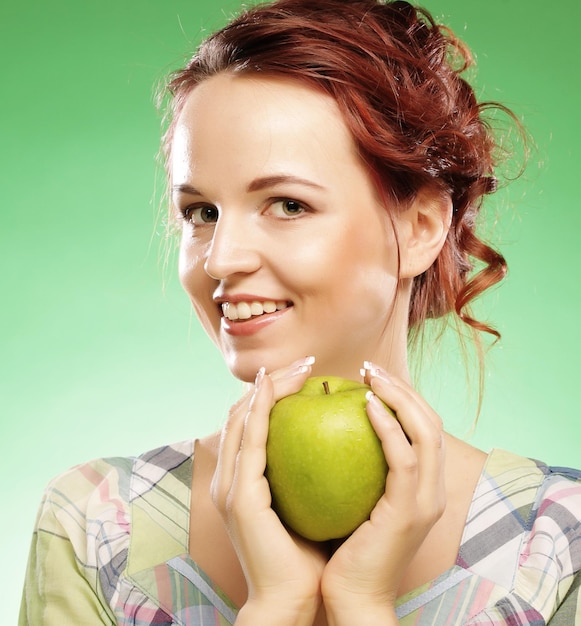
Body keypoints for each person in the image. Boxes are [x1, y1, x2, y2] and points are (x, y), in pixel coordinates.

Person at [19, 0, 581, 624]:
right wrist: (277, 606)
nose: (222, 259)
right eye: (201, 213)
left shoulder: (556, 544)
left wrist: (362, 604)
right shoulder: (99, 527)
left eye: (287, 205)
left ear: (421, 228)